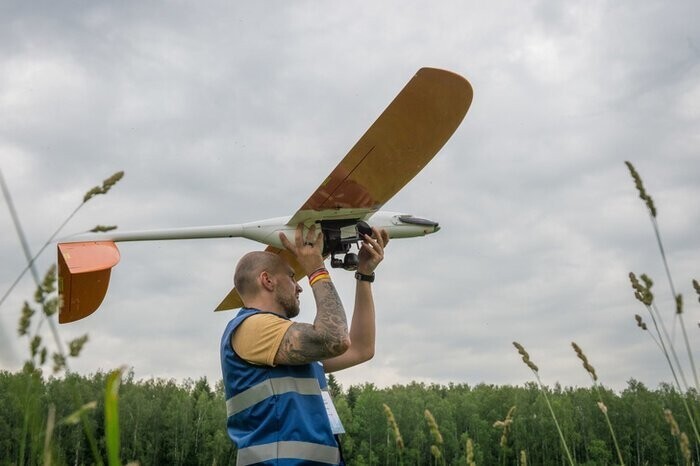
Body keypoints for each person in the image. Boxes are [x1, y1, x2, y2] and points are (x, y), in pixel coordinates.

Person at [220, 222, 389, 465]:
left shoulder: (281, 340)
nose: (299, 286)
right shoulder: (252, 328)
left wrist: (364, 274)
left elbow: (360, 348)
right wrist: (315, 267)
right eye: (291, 276)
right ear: (267, 281)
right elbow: (336, 339)